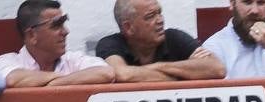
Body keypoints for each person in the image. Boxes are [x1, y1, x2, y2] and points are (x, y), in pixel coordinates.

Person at [0, 0, 113, 88]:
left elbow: (106, 73)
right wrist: (70, 78)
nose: (65, 31)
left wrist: (54, 83)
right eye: (56, 25)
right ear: (32, 35)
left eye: (63, 23)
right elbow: (13, 79)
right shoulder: (5, 61)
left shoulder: (72, 59)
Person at [96, 0, 225, 82]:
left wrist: (159, 66)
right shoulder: (110, 44)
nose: (160, 20)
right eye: (150, 16)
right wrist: (184, 74)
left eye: (160, 13)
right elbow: (122, 74)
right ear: (128, 27)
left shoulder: (174, 37)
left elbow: (217, 68)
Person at [203, 0, 265, 79]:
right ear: (232, 3)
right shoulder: (215, 46)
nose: (255, 10)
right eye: (247, 2)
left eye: (261, 2)